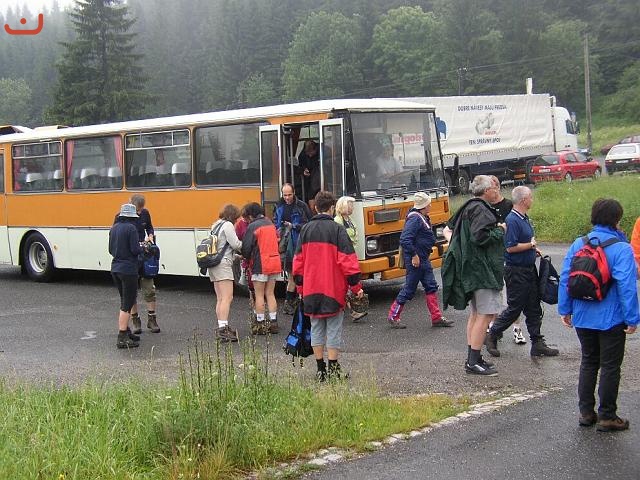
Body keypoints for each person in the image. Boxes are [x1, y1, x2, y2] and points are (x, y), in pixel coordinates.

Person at [558, 198, 639, 431]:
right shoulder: (621, 248)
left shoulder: (579, 243)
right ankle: (607, 416)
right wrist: (632, 318)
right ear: (616, 219)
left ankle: (586, 413)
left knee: (589, 361)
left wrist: (565, 309)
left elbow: (566, 277)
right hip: (611, 317)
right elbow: (626, 286)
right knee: (610, 366)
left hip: (583, 314)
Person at [293, 191, 364, 381]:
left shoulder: (305, 230)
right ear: (332, 208)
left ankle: (320, 369)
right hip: (333, 288)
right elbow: (348, 261)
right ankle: (333, 368)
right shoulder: (337, 230)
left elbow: (298, 263)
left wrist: (300, 288)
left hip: (311, 288)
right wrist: (356, 287)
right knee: (333, 329)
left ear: (315, 207)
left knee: (316, 328)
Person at [442, 175, 506, 376]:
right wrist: (500, 230)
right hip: (482, 270)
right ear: (486, 191)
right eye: (494, 188)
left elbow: (449, 228)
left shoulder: (468, 206)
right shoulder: (481, 209)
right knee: (485, 315)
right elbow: (480, 237)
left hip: (471, 269)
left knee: (476, 314)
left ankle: (474, 357)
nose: (497, 191)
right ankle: (472, 362)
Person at [485, 186, 559, 358]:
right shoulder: (512, 220)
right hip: (516, 271)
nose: (532, 200)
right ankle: (492, 335)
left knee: (533, 306)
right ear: (524, 200)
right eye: (530, 197)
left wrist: (533, 249)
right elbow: (510, 247)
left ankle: (537, 343)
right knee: (515, 307)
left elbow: (524, 241)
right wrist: (530, 245)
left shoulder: (524, 218)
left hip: (528, 269)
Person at [388, 192, 453, 329]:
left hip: (423, 258)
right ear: (424, 205)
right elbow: (405, 239)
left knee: (431, 286)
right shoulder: (415, 219)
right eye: (429, 203)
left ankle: (436, 317)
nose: (430, 205)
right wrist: (414, 255)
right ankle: (393, 315)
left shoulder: (421, 217)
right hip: (416, 260)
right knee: (409, 289)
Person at [488, 176, 525, 344]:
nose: (490, 190)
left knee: (512, 295)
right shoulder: (484, 206)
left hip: (508, 255)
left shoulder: (509, 205)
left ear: (497, 187)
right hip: (491, 255)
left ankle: (517, 329)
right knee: (494, 293)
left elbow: (517, 225)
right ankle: (494, 327)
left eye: (492, 186)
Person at [241, 202, 281, 335]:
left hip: (260, 263)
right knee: (270, 293)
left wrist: (245, 257)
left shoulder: (253, 226)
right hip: (274, 262)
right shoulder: (270, 223)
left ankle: (260, 323)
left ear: (250, 215)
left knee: (259, 295)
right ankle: (274, 322)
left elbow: (246, 248)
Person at [273, 183, 313, 314]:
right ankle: (291, 302)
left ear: (294, 193)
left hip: (299, 244)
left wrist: (294, 226)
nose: (287, 198)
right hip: (285, 245)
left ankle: (293, 302)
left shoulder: (302, 206)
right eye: (285, 195)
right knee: (292, 274)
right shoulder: (278, 205)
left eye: (289, 195)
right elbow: (275, 223)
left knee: (296, 274)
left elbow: (309, 224)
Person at [109, 203, 144, 349]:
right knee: (127, 303)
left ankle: (127, 331)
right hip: (128, 269)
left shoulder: (114, 228)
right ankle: (122, 336)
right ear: (131, 217)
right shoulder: (131, 228)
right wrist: (143, 248)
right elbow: (135, 250)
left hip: (115, 268)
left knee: (124, 299)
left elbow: (110, 250)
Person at [208, 204, 243, 342]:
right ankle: (223, 329)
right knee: (227, 298)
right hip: (223, 265)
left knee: (220, 298)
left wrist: (236, 257)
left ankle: (221, 326)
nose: (237, 221)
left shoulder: (215, 225)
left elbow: (221, 247)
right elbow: (235, 244)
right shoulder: (228, 225)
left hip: (214, 264)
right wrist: (247, 245)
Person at [127, 194, 160, 334]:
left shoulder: (145, 213)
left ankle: (152, 320)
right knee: (131, 291)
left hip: (144, 254)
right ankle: (135, 320)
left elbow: (150, 227)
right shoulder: (122, 217)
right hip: (131, 257)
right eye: (137, 210)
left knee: (149, 288)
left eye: (141, 209)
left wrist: (150, 235)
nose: (139, 212)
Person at [334, 195, 367, 322]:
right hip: (344, 255)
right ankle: (353, 311)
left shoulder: (349, 220)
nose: (352, 207)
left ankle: (353, 310)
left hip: (350, 253)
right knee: (347, 283)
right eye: (350, 205)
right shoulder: (338, 221)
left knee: (348, 283)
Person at [298, 140, 321, 210]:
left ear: (315, 149)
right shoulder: (302, 155)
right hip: (308, 179)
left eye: (311, 153)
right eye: (308, 153)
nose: (310, 155)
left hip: (320, 176)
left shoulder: (322, 150)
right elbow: (300, 165)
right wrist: (304, 170)